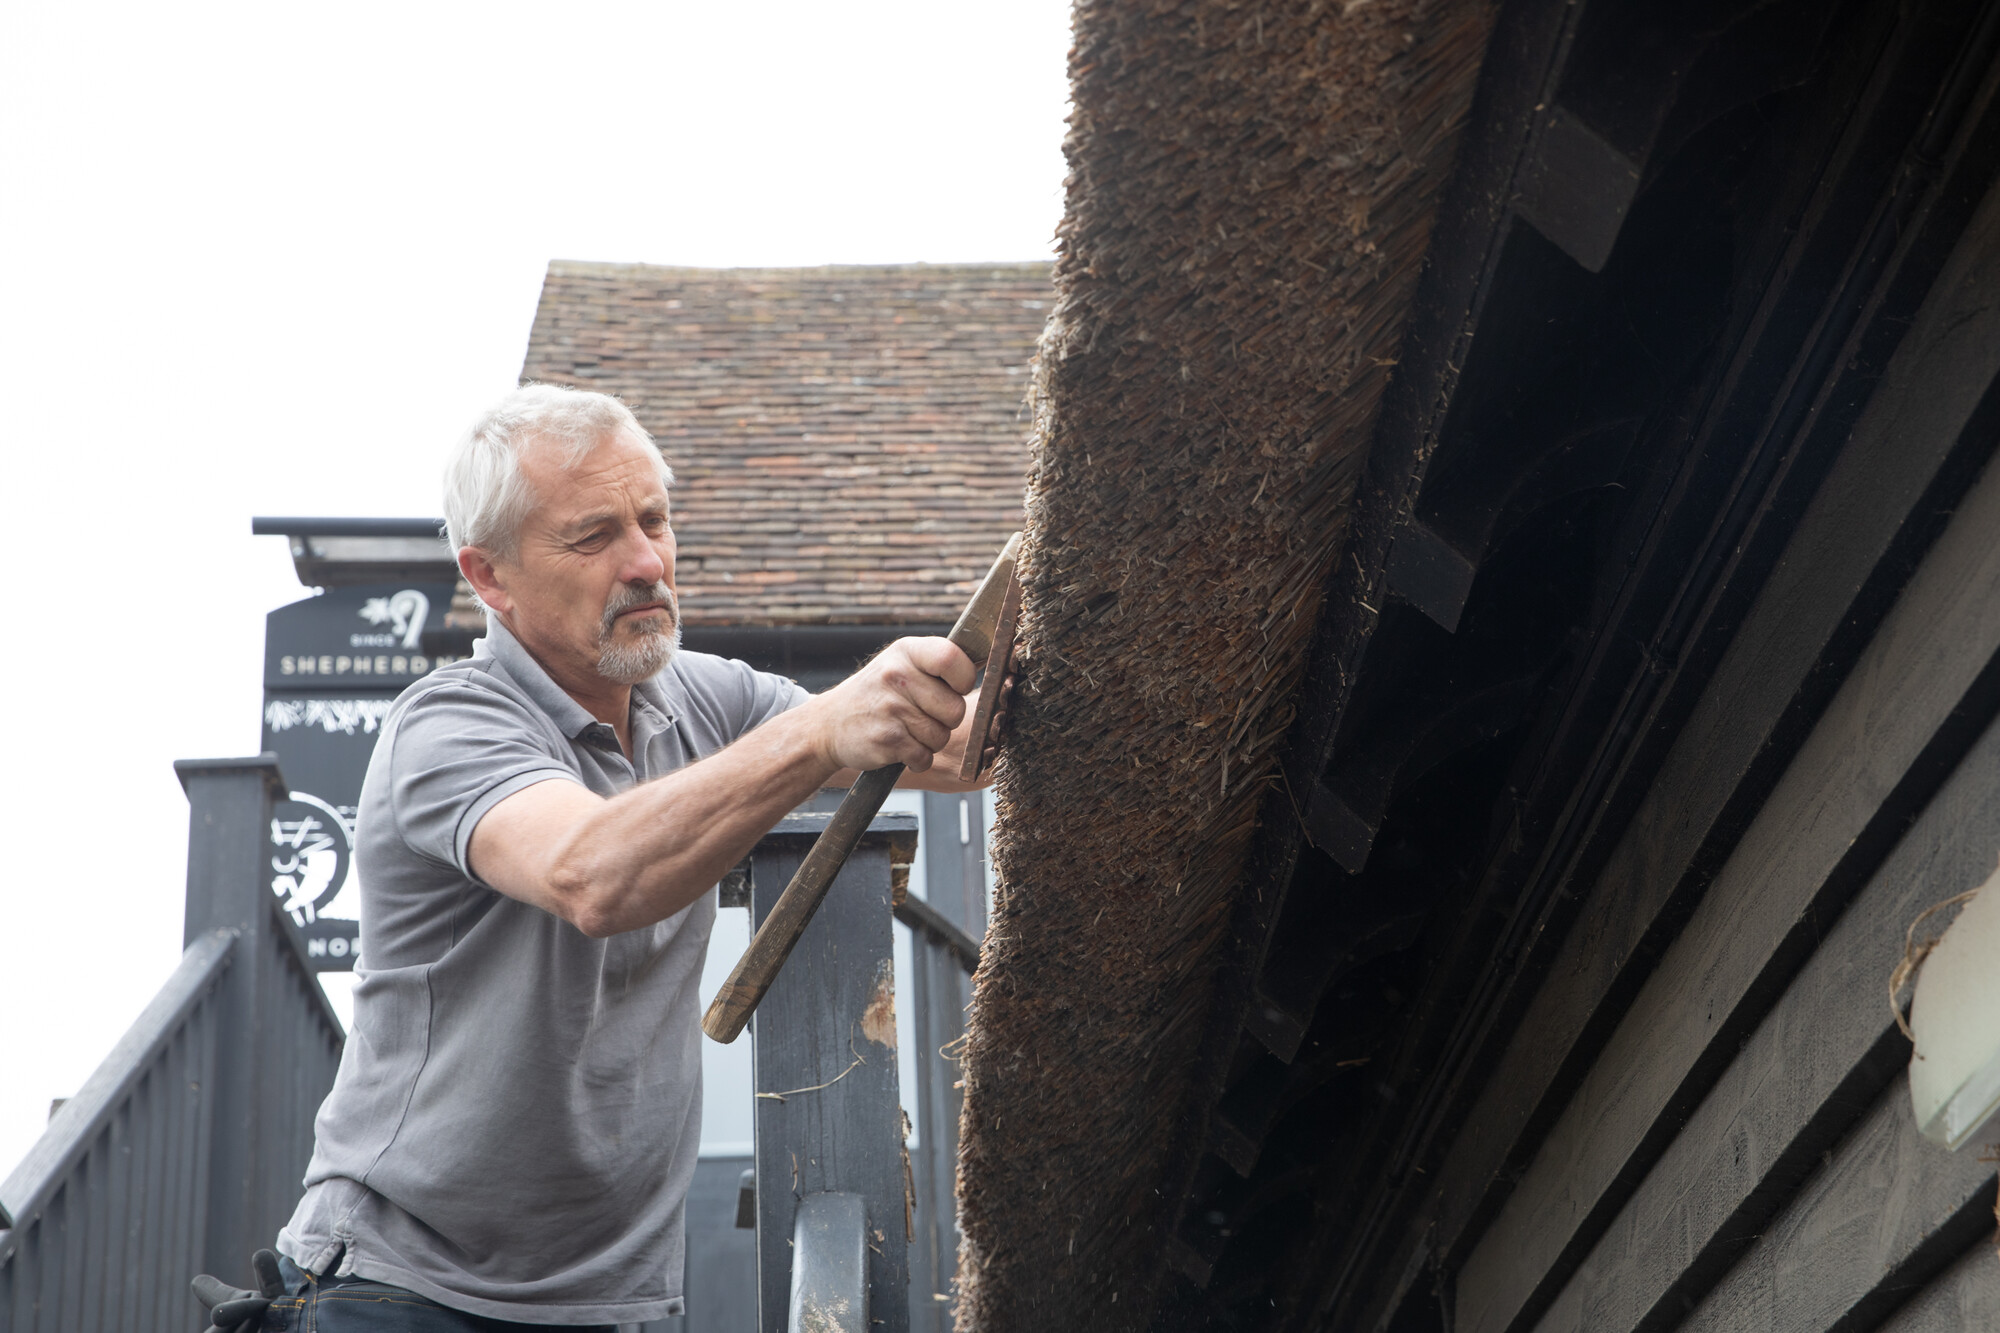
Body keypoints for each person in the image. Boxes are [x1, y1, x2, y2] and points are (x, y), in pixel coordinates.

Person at [216, 384, 1012, 1331]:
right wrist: (825, 729)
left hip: (618, 1302)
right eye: (593, 536)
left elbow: (949, 749)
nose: (646, 562)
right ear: (491, 577)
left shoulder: (704, 701)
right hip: (404, 1289)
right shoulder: (447, 724)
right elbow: (592, 873)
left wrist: (1006, 675)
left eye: (654, 520)